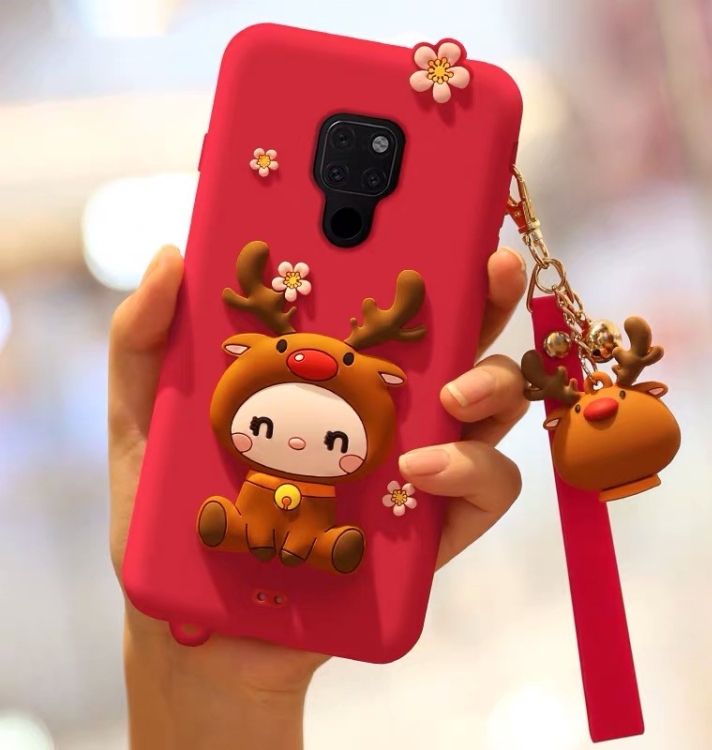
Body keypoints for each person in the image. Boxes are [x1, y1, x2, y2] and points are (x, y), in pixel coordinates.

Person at [108, 244, 529, 750]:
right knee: (246, 522)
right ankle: (244, 528)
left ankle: (326, 546)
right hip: (254, 511)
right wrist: (193, 676)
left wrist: (232, 695)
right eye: (265, 426)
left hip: (313, 520)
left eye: (333, 440)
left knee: (314, 534)